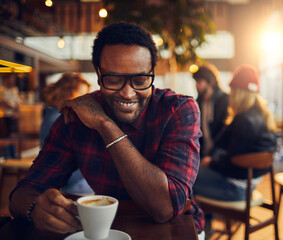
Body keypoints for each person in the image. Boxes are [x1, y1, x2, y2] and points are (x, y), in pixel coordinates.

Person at [9, 22, 204, 238]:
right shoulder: (76, 117)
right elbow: (23, 193)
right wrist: (34, 208)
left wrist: (105, 125)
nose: (128, 93)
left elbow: (165, 208)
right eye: (113, 79)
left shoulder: (179, 110)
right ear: (98, 73)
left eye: (140, 80)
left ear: (152, 74)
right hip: (109, 228)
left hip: (178, 228)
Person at [193, 64, 277, 201]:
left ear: (238, 93)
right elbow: (224, 144)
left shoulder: (243, 120)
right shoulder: (263, 115)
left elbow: (231, 163)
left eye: (232, 90)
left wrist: (211, 162)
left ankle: (199, 221)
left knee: (184, 178)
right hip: (251, 184)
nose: (230, 94)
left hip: (235, 188)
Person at [40, 72, 93, 195]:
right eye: (82, 94)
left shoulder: (52, 114)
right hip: (72, 187)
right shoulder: (60, 119)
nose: (85, 99)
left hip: (69, 183)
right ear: (68, 93)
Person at [192, 64, 229, 157]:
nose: (196, 85)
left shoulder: (225, 100)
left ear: (210, 82)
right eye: (196, 82)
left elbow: (225, 133)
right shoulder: (197, 103)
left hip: (220, 155)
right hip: (202, 154)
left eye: (199, 82)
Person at [0, 73, 21, 158]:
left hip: (14, 116)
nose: (12, 80)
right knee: (6, 137)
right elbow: (4, 102)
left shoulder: (15, 89)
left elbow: (18, 101)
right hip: (6, 116)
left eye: (13, 79)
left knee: (14, 136)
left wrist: (16, 111)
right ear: (6, 79)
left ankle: (13, 155)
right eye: (10, 78)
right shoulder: (1, 90)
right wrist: (14, 108)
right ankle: (7, 156)